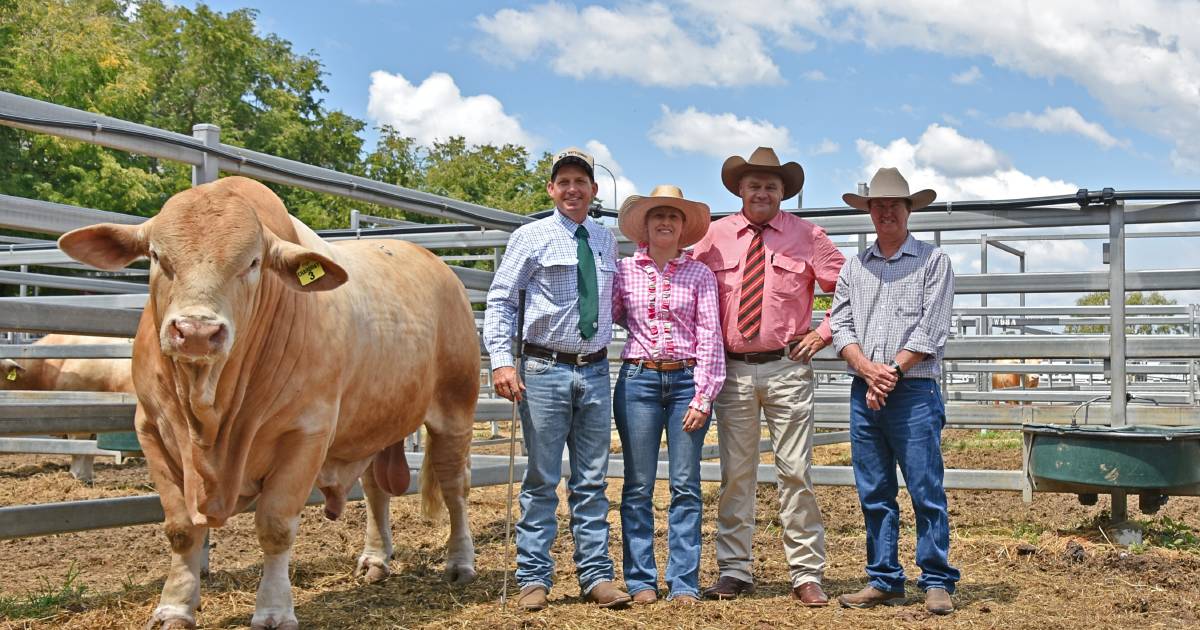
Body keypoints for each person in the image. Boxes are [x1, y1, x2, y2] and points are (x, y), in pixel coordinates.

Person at [691, 147, 846, 606]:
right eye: (754, 185)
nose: (762, 192)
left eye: (771, 186)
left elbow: (851, 289)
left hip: (787, 367)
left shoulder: (809, 235)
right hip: (733, 371)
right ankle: (735, 569)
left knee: (795, 471)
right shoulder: (713, 237)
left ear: (784, 193)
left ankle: (805, 572)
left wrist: (822, 334)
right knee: (736, 474)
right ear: (740, 189)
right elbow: (686, 284)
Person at [483, 147, 630, 611]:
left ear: (593, 190)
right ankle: (533, 577)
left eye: (580, 182)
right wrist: (503, 360)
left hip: (594, 368)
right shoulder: (530, 237)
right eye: (563, 181)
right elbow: (502, 299)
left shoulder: (605, 240)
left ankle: (596, 576)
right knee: (542, 478)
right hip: (544, 368)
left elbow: (615, 303)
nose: (572, 189)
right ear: (551, 189)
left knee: (591, 478)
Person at [829, 167, 960, 615]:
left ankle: (936, 578)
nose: (886, 211)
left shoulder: (933, 261)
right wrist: (867, 369)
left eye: (894, 205)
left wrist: (888, 373)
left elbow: (932, 328)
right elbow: (840, 323)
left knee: (925, 487)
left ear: (909, 211)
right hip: (868, 387)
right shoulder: (854, 266)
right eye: (878, 205)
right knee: (874, 488)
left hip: (911, 390)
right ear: (869, 212)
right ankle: (884, 576)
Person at [611, 185, 724, 605]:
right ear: (645, 225)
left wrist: (703, 395)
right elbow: (615, 316)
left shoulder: (699, 274)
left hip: (685, 382)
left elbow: (710, 334)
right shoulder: (625, 271)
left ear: (683, 228)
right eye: (658, 215)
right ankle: (641, 580)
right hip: (638, 378)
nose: (665, 222)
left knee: (685, 484)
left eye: (673, 217)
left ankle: (683, 582)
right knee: (638, 484)